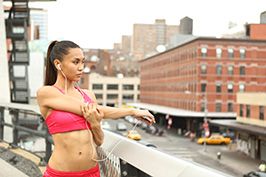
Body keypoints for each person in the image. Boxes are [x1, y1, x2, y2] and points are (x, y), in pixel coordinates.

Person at [37, 40, 155, 177]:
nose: (81, 67)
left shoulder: (88, 95)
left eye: (83, 62)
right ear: (58, 64)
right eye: (75, 62)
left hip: (91, 173)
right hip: (60, 174)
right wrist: (132, 111)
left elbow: (99, 141)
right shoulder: (46, 93)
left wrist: (94, 123)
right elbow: (87, 109)